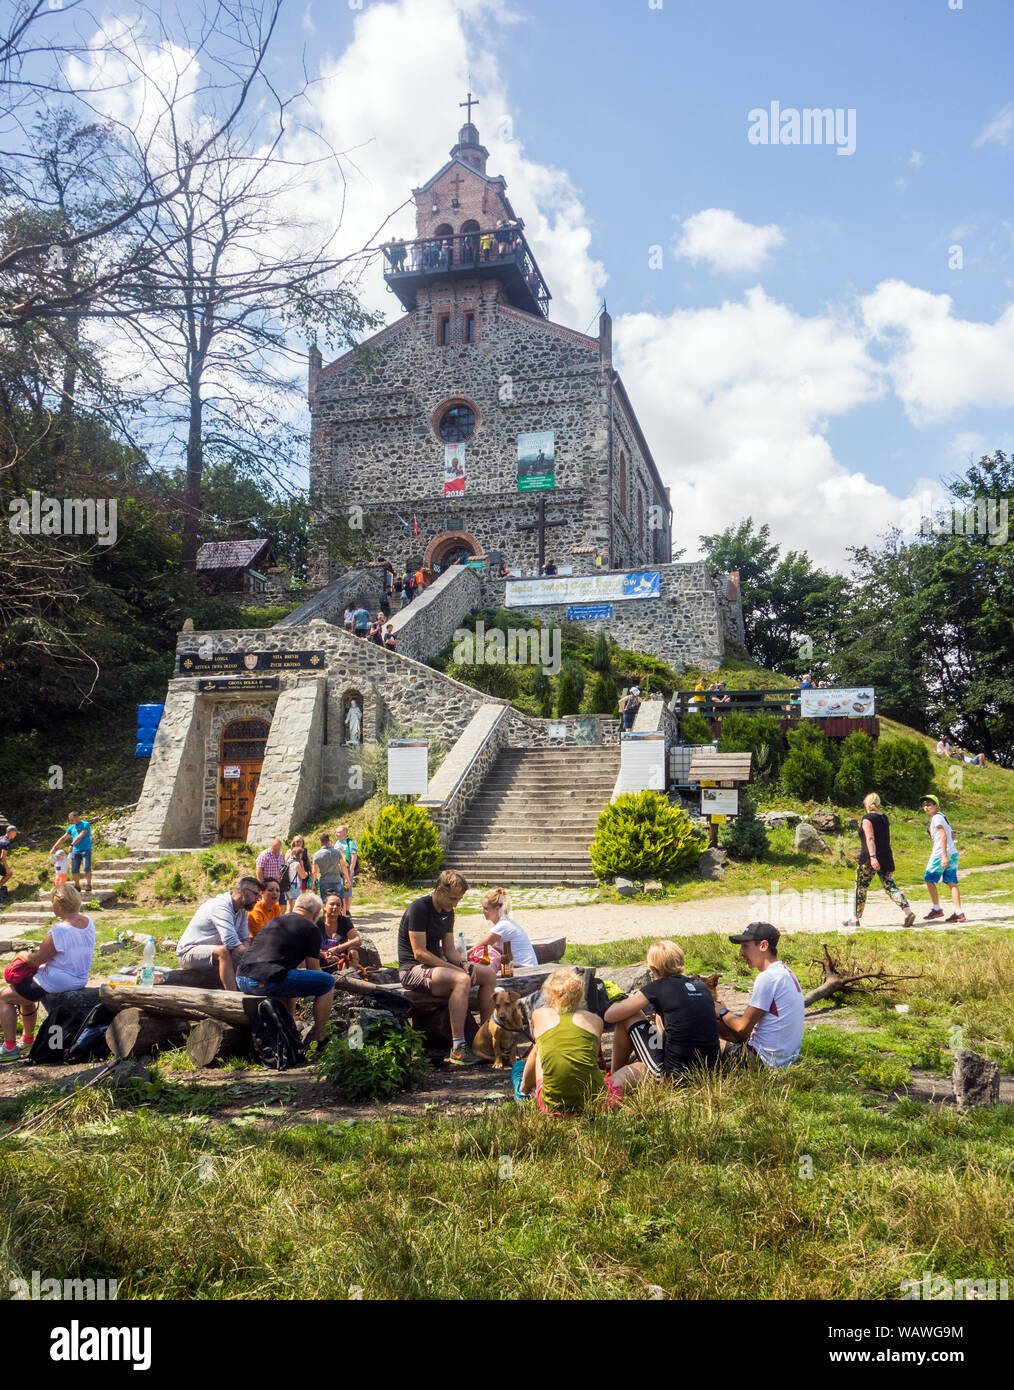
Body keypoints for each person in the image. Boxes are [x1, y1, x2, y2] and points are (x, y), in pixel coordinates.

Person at [397, 869, 495, 1065]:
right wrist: (455, 970)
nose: (455, 903)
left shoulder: (448, 913)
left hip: (435, 969)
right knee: (461, 979)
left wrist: (464, 963)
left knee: (488, 974)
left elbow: (449, 950)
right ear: (439, 889)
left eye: (458, 899)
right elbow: (419, 953)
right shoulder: (419, 908)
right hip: (412, 969)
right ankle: (458, 1047)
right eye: (452, 898)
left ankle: (485, 1038)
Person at [605, 941, 720, 1090]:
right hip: (709, 1072)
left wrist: (623, 1000)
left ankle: (613, 1076)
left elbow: (610, 1016)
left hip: (673, 1076)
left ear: (653, 968)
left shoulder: (658, 986)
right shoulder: (701, 986)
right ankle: (620, 1073)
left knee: (628, 1015)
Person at [0, 884, 97, 1061]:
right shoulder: (88, 922)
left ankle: (9, 1047)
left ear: (59, 905)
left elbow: (38, 959)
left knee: (4, 997)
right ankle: (27, 1039)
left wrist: (22, 955)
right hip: (79, 977)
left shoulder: (58, 930)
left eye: (53, 903)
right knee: (22, 989)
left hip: (57, 980)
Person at [236, 892, 335, 1046]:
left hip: (242, 978)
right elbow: (314, 969)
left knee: (293, 975)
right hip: (264, 981)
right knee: (328, 982)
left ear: (295, 907)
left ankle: (290, 1030)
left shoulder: (275, 921)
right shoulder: (311, 929)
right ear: (316, 915)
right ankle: (320, 1038)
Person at [517, 967, 619, 1114]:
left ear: (549, 995)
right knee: (637, 1068)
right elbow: (593, 1053)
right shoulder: (595, 1020)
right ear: (581, 994)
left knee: (540, 1046)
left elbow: (540, 1040)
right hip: (595, 1101)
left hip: (552, 1106)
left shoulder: (539, 1014)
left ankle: (523, 1090)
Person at [716, 922, 804, 1068]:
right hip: (786, 1060)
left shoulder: (768, 977)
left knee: (698, 1039)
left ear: (763, 946)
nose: (741, 953)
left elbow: (742, 1028)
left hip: (764, 1062)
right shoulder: (786, 972)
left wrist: (722, 1011)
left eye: (745, 946)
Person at [844, 793, 915, 928]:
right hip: (886, 857)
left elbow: (870, 839)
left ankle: (855, 918)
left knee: (861, 887)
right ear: (878, 804)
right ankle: (908, 912)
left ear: (866, 804)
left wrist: (872, 857)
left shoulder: (867, 818)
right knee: (891, 886)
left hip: (870, 859)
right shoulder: (884, 818)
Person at [176, 878, 258, 990]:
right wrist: (252, 959)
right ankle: (232, 998)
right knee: (223, 951)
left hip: (212, 952)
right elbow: (231, 942)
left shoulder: (242, 910)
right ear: (243, 891)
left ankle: (250, 991)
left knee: (242, 957)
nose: (258, 899)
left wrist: (250, 958)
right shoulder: (221, 906)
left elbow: (244, 938)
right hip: (187, 953)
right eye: (256, 894)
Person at [921, 794, 964, 923]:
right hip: (952, 852)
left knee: (929, 878)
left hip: (940, 854)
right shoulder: (943, 816)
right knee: (951, 881)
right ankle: (959, 912)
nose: (926, 807)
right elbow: (951, 833)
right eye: (924, 805)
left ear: (936, 805)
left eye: (929, 805)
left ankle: (937, 908)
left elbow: (944, 835)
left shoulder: (936, 819)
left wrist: (944, 856)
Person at [471, 887, 538, 968]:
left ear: (497, 909)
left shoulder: (502, 925)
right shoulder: (505, 922)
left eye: (486, 908)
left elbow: (479, 947)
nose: (483, 911)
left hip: (524, 968)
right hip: (527, 966)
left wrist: (461, 957)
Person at [318, 892, 362, 969]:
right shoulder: (316, 922)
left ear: (341, 908)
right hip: (319, 960)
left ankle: (351, 974)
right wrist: (323, 953)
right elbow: (306, 945)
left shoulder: (344, 921)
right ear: (324, 906)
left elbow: (357, 940)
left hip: (341, 961)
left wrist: (337, 948)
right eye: (331, 904)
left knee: (353, 951)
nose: (335, 907)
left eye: (338, 905)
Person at [312, 832, 345, 901]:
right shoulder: (337, 852)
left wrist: (313, 883)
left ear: (320, 842)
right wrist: (347, 878)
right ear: (328, 841)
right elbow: (343, 866)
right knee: (338, 902)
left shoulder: (317, 855)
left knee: (325, 903)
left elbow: (314, 872)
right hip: (336, 880)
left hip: (324, 882)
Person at [65, 812, 93, 893]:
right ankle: (77, 886)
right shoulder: (71, 827)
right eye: (70, 820)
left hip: (86, 849)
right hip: (75, 851)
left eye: (72, 819)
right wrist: (54, 847)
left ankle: (88, 884)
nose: (71, 821)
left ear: (77, 817)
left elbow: (81, 835)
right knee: (74, 869)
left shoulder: (85, 824)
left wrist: (72, 844)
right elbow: (64, 837)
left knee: (86, 867)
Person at [281, 836, 310, 908]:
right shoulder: (296, 863)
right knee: (296, 905)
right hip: (295, 885)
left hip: (287, 884)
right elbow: (303, 875)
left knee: (289, 905)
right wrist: (302, 866)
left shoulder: (289, 861)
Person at [334, 825, 358, 910]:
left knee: (347, 890)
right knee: (339, 891)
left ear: (345, 833)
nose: (336, 834)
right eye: (336, 832)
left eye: (338, 832)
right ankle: (341, 910)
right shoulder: (336, 842)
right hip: (337, 871)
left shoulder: (350, 842)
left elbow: (354, 857)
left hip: (347, 871)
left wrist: (350, 871)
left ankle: (347, 911)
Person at [0, 824, 17, 904]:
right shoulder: (6, 842)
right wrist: (7, 869)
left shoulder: (1, 838)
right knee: (8, 873)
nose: (16, 834)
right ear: (10, 832)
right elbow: (2, 857)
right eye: (15, 833)